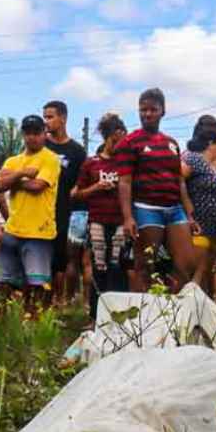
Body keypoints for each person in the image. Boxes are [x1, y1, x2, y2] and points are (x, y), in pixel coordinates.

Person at [114, 88, 197, 291]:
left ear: (162, 111)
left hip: (174, 209)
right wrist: (128, 217)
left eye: (153, 109)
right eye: (143, 110)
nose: (147, 114)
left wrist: (190, 215)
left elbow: (180, 181)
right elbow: (124, 182)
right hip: (146, 209)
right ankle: (142, 309)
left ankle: (171, 307)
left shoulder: (172, 143)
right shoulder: (130, 142)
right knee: (145, 266)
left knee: (187, 264)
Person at [0, 115, 61, 310]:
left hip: (39, 232)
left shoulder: (50, 158)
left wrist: (13, 179)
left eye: (36, 133)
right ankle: (7, 321)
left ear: (44, 134)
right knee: (3, 283)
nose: (32, 137)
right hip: (13, 229)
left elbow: (37, 186)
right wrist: (23, 173)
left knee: (37, 284)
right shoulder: (13, 161)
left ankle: (35, 321)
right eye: (28, 133)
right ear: (23, 135)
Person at [73, 113, 129, 319]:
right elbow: (76, 194)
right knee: (99, 267)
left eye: (122, 141)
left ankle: (118, 317)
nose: (118, 145)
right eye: (114, 141)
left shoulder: (126, 163)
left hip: (121, 221)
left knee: (118, 265)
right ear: (106, 138)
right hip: (97, 220)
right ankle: (96, 317)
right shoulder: (91, 163)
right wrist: (96, 187)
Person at [42, 100, 87, 304]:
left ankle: (61, 301)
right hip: (42, 210)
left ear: (63, 118)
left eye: (50, 117)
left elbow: (82, 182)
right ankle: (42, 302)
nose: (46, 121)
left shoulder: (77, 151)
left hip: (66, 212)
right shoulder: (42, 146)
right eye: (45, 117)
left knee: (62, 259)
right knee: (42, 257)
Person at [181, 116, 216, 294]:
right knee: (195, 280)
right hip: (199, 231)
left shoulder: (208, 165)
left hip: (212, 235)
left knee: (203, 282)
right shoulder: (193, 158)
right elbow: (178, 177)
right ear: (211, 143)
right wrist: (189, 211)